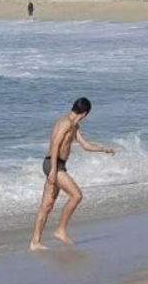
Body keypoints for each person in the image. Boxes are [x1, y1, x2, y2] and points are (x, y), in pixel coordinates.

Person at [30, 97, 116, 250]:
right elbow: (55, 145)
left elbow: (85, 145)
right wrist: (54, 170)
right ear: (84, 113)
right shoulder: (65, 123)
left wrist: (104, 149)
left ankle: (35, 242)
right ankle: (60, 230)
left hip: (56, 165)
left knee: (47, 206)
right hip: (53, 164)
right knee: (77, 195)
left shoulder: (74, 126)